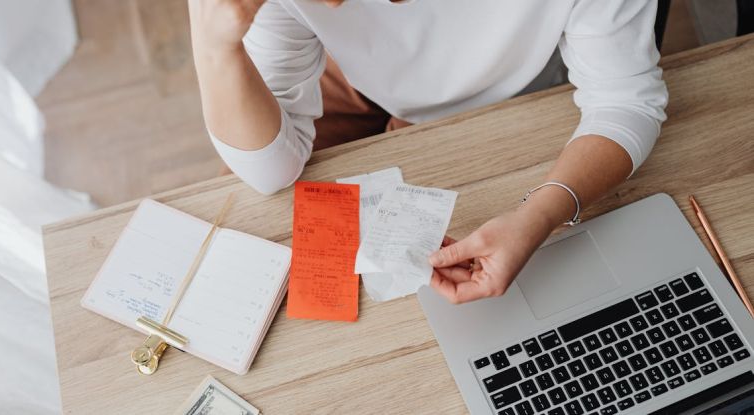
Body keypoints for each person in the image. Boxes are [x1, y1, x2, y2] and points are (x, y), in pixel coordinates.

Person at [189, 0, 668, 304]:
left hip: (518, 81)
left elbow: (625, 100)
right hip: (344, 66)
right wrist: (213, 47)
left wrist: (542, 213)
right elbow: (270, 172)